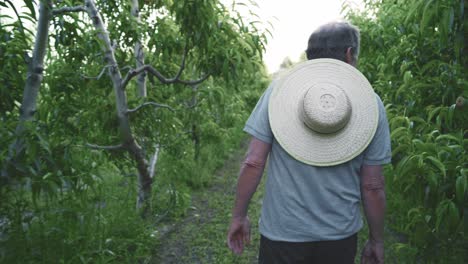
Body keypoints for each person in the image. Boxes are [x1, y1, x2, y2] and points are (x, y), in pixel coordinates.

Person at [226, 21, 391, 264]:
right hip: (339, 237)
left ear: (309, 55)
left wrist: (239, 216)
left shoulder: (279, 93)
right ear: (349, 54)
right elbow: (373, 185)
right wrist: (376, 240)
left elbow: (253, 161)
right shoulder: (370, 104)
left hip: (282, 234)